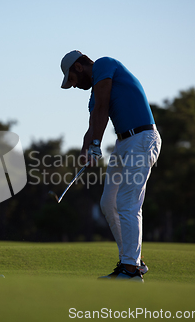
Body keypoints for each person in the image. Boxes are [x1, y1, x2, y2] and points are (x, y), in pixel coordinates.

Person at [60, 50, 161, 282]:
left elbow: (104, 106)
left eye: (73, 81)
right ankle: (134, 262)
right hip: (123, 143)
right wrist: (86, 150)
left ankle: (131, 270)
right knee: (108, 203)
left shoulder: (105, 65)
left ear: (78, 67)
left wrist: (96, 143)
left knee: (127, 202)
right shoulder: (93, 96)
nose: (74, 86)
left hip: (142, 139)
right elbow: (95, 119)